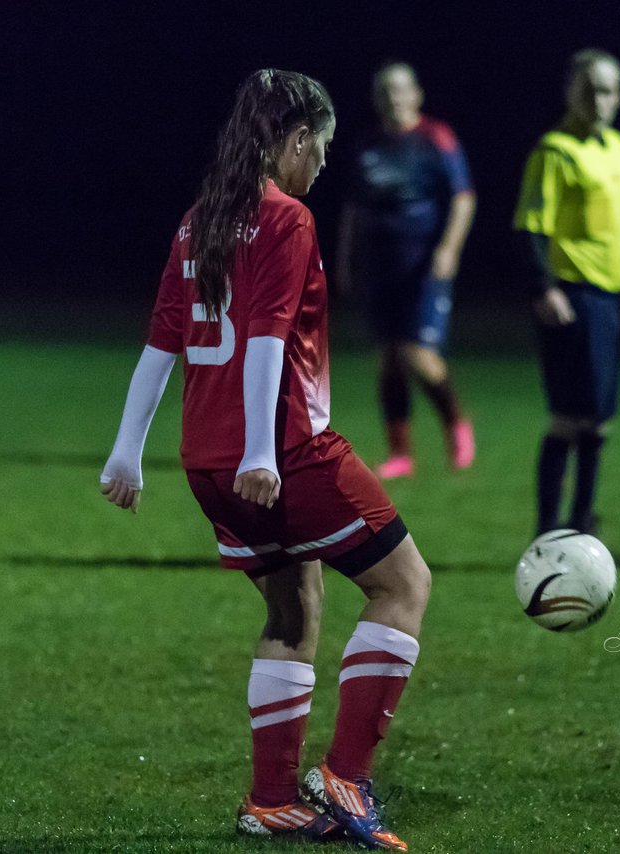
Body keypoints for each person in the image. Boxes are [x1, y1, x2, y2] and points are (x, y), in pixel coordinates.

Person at [99, 69, 428, 852]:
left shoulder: (197, 220)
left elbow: (161, 341)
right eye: (323, 149)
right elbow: (270, 335)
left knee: (294, 608)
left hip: (206, 465)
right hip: (282, 454)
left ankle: (271, 799)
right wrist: (262, 452)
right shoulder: (288, 220)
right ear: (297, 138)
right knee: (404, 585)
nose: (321, 166)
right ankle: (345, 774)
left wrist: (125, 453)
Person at [512, 49, 620, 546]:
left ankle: (581, 526)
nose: (599, 100)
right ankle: (546, 530)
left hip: (608, 299)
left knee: (598, 421)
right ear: (570, 92)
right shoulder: (554, 152)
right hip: (572, 297)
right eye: (589, 89)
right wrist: (545, 286)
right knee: (569, 416)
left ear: (619, 96)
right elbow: (530, 228)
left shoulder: (619, 149)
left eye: (607, 90)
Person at [338, 61, 477, 479]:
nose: (392, 99)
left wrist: (448, 249)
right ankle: (401, 452)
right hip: (379, 266)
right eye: (384, 92)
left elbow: (463, 198)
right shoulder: (368, 143)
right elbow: (354, 207)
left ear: (416, 95)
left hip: (422, 266)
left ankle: (456, 422)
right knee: (388, 359)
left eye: (400, 90)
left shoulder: (436, 139)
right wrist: (345, 259)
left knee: (420, 355)